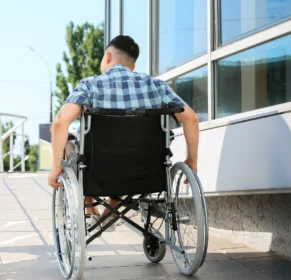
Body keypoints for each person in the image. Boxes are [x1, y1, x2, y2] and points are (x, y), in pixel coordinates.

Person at [48, 35, 199, 231]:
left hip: (98, 172)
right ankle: (112, 209)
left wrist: (56, 166)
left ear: (108, 56)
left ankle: (90, 211)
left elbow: (60, 123)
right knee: (125, 159)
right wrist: (192, 161)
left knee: (73, 147)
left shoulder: (90, 85)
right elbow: (192, 118)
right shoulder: (156, 86)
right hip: (146, 173)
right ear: (132, 66)